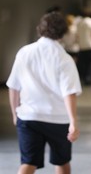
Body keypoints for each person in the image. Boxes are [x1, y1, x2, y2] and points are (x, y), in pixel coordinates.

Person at [6, 12, 82, 174]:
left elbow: (13, 87)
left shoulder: (24, 52)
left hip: (28, 117)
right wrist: (73, 122)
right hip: (58, 120)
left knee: (28, 163)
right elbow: (69, 93)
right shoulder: (64, 58)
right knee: (62, 162)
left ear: (40, 29)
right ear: (63, 32)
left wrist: (15, 114)